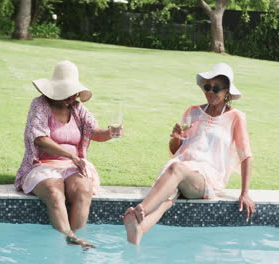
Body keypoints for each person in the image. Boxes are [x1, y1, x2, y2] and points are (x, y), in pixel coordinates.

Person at [123, 63, 256, 244]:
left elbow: (246, 155)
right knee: (166, 200)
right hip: (178, 171)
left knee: (176, 169)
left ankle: (139, 210)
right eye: (207, 87)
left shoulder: (236, 117)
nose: (210, 92)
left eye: (216, 88)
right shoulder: (192, 112)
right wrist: (176, 137)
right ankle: (137, 233)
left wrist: (245, 193)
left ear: (227, 92)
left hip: (204, 178)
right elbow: (175, 150)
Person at [15, 61, 122, 248]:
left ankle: (75, 239)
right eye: (67, 93)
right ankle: (69, 236)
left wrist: (111, 132)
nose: (72, 97)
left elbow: (94, 132)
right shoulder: (39, 105)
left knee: (84, 189)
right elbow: (39, 139)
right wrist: (72, 156)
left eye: (74, 93)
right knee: (54, 192)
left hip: (72, 167)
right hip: (43, 164)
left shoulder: (78, 108)